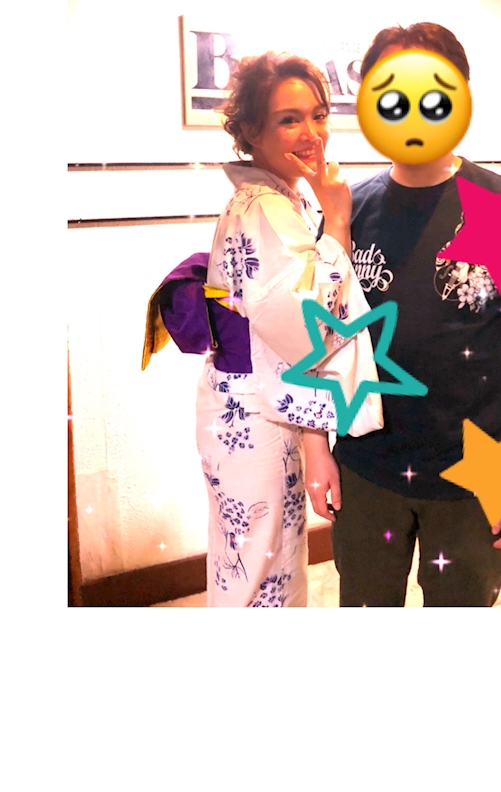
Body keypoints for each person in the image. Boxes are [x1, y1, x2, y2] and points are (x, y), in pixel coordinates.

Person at [327, 22, 501, 607]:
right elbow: (326, 341)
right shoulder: (348, 210)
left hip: (479, 474)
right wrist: (318, 449)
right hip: (366, 468)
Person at [194, 52, 380, 607]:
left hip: (247, 405)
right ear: (251, 130)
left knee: (249, 564)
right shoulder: (265, 206)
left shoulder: (273, 199)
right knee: (261, 577)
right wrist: (338, 219)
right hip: (257, 416)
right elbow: (307, 328)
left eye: (319, 115)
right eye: (289, 119)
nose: (312, 133)